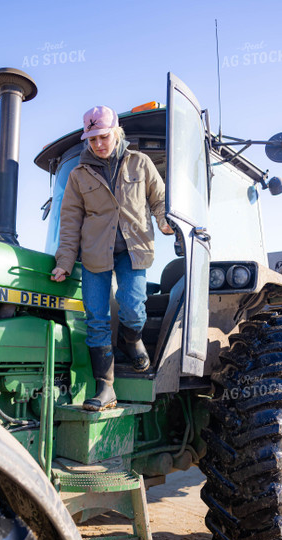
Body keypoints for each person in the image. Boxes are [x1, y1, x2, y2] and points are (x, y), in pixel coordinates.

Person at [51, 105, 173, 411]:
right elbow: (69, 222)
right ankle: (105, 388)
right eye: (92, 140)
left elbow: (159, 199)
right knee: (96, 319)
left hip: (134, 250)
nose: (98, 144)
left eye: (103, 137)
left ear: (116, 133)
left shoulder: (140, 163)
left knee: (132, 307)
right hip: (95, 254)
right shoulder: (79, 175)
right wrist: (64, 262)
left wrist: (163, 220)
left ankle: (132, 340)